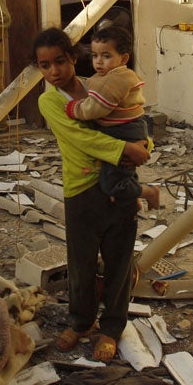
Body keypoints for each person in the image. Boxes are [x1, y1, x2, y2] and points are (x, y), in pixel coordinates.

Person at [33, 27, 150, 362]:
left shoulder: (101, 83)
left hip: (121, 185)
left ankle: (112, 327)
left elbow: (135, 116)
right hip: (82, 189)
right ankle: (82, 321)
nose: (54, 71)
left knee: (119, 261)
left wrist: (145, 145)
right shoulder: (49, 101)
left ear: (73, 58)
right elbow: (83, 140)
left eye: (59, 61)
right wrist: (126, 148)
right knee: (81, 264)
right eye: (44, 65)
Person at [64, 25, 160, 210]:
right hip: (128, 127)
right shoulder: (110, 75)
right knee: (124, 173)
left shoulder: (115, 79)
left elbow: (96, 108)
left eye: (106, 56)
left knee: (112, 182)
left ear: (123, 58)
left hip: (124, 131)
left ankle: (148, 192)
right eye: (95, 55)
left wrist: (75, 108)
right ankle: (130, 199)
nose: (99, 61)